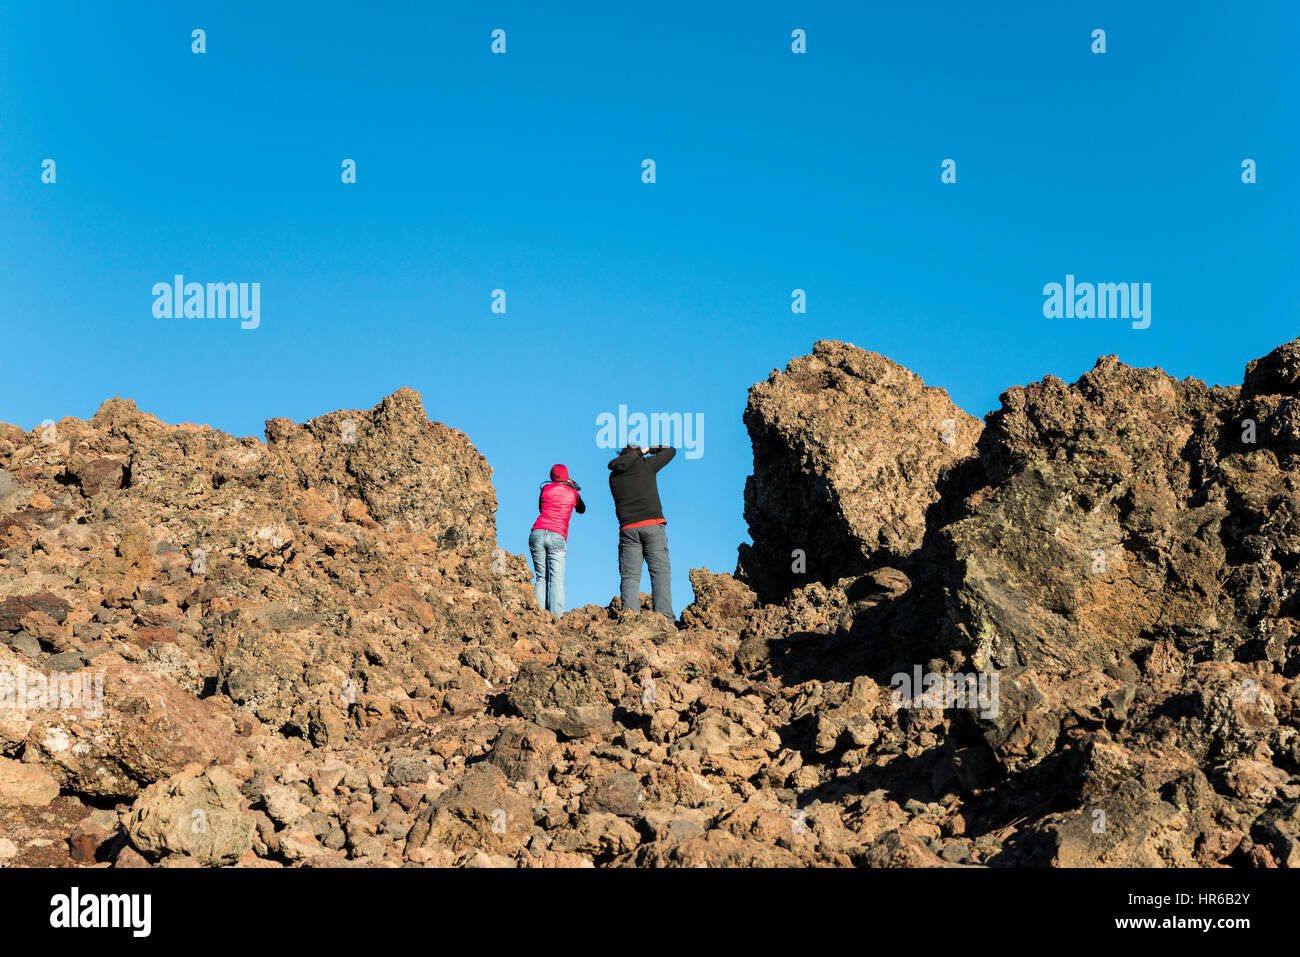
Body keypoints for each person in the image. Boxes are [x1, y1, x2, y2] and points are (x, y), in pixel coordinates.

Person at [607, 444, 676, 618]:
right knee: (660, 571)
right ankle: (664, 618)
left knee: (630, 576)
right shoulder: (646, 464)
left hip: (628, 529)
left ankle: (629, 618)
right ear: (638, 454)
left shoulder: (613, 476)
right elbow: (671, 451)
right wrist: (648, 449)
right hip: (652, 525)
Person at [529, 464, 584, 616]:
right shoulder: (573, 493)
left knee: (541, 577)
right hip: (557, 535)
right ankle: (555, 617)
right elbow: (581, 509)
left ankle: (539, 615)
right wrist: (572, 486)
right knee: (556, 579)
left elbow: (542, 509)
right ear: (567, 476)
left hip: (537, 532)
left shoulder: (545, 489)